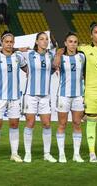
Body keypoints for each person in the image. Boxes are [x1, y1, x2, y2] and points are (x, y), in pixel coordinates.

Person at [55, 22, 97, 163]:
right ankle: (92, 154)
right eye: (96, 32)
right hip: (91, 90)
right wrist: (58, 54)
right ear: (91, 35)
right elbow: (65, 48)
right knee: (90, 121)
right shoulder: (83, 49)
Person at [0, 31, 27, 163]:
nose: (9, 44)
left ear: (13, 43)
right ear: (1, 43)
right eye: (6, 42)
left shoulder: (18, 57)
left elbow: (27, 70)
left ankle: (14, 153)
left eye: (11, 42)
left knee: (14, 124)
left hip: (14, 97)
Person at [22, 32, 57, 163]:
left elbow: (54, 68)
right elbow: (15, 57)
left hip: (45, 95)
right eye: (41, 39)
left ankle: (47, 154)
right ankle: (27, 153)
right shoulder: (29, 54)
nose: (45, 41)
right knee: (30, 123)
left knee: (47, 124)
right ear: (36, 42)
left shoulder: (51, 55)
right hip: (30, 95)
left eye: (46, 39)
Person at [53, 32, 85, 163]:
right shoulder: (61, 57)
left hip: (78, 95)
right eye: (70, 41)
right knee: (62, 124)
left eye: (75, 42)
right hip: (63, 95)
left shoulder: (82, 57)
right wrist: (59, 53)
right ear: (65, 43)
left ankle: (76, 154)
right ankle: (61, 154)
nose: (73, 44)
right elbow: (55, 64)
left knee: (77, 123)